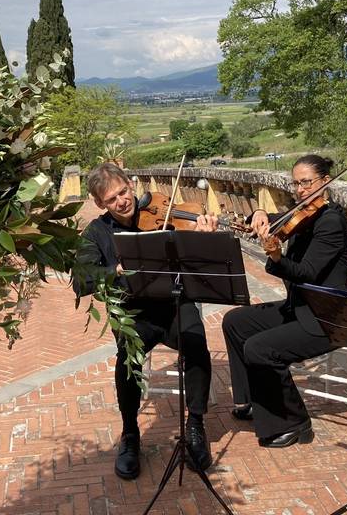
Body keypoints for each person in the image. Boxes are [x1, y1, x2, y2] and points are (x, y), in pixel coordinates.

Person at [72, 162, 220, 480]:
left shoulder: (164, 214)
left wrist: (205, 238)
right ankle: (130, 435)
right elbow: (81, 279)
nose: (122, 201)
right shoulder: (97, 232)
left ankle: (195, 423)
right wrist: (113, 272)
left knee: (196, 345)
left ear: (131, 184)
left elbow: (199, 260)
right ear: (100, 204)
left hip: (174, 305)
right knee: (128, 359)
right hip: (134, 313)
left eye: (124, 191)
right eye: (112, 199)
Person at [221, 154, 347, 447]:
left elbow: (307, 273)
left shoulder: (330, 222)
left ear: (325, 182)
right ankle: (250, 401)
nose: (301, 190)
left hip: (327, 317)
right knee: (236, 322)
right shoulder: (302, 215)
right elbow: (272, 217)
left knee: (260, 348)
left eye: (307, 182)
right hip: (301, 308)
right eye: (296, 183)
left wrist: (277, 256)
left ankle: (295, 423)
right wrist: (258, 211)